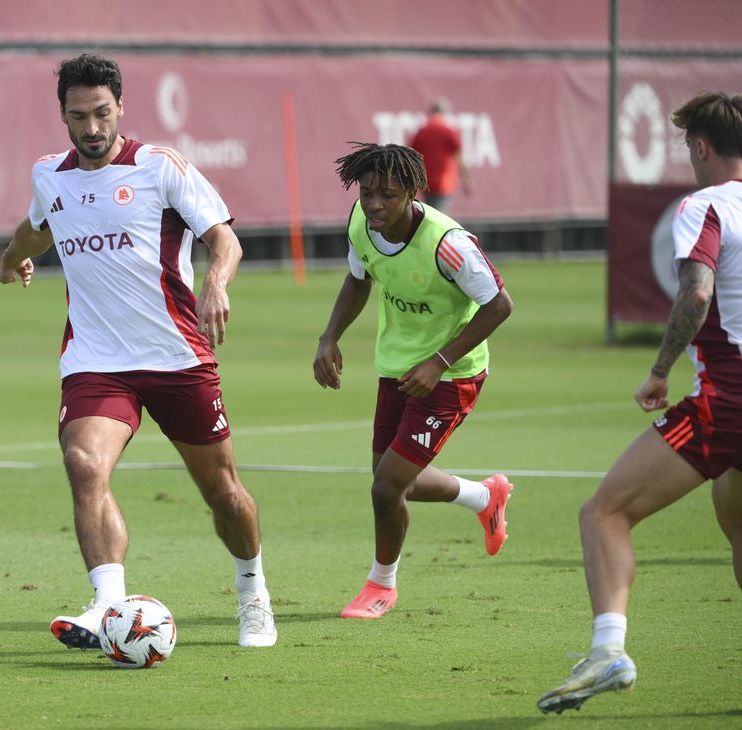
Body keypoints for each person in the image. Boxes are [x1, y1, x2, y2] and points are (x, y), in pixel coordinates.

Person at [0, 53, 277, 650]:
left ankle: (252, 590)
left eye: (102, 113)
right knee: (83, 464)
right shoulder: (49, 174)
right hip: (96, 360)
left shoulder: (160, 166)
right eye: (79, 117)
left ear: (121, 107)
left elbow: (224, 237)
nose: (92, 128)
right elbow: (35, 227)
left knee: (222, 492)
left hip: (176, 355)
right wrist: (9, 259)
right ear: (63, 116)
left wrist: (216, 282)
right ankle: (108, 606)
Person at [538, 91, 742, 714]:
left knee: (604, 512)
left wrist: (659, 371)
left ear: (700, 148)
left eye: (687, 147)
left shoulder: (704, 205)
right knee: (737, 522)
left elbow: (697, 294)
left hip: (731, 398)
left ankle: (607, 650)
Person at [313, 143, 514, 620]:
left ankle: (381, 586)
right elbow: (359, 278)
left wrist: (440, 362)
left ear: (411, 192)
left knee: (386, 489)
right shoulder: (363, 223)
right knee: (392, 482)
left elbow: (500, 305)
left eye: (387, 194)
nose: (375, 204)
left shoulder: (448, 244)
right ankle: (485, 498)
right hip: (397, 369)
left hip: (451, 376)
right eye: (367, 193)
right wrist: (329, 337)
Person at [409, 99, 471, 213]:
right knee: (439, 216)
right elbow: (459, 158)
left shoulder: (421, 131)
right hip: (444, 182)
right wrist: (467, 180)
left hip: (426, 182)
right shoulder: (448, 131)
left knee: (430, 213)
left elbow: (411, 157)